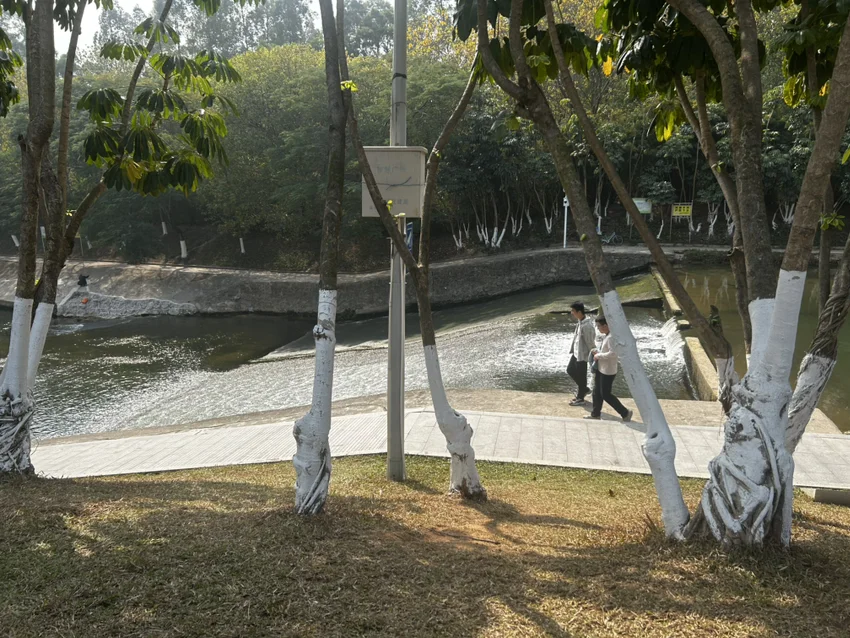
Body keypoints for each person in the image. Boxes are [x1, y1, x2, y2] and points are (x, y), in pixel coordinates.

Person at [585, 315, 633, 422]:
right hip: (601, 369)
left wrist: (598, 355)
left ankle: (625, 412)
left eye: (599, 326)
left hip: (608, 371)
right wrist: (598, 352)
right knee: (596, 392)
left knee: (605, 395)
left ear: (606, 325)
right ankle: (595, 414)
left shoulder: (611, 337)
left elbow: (613, 354)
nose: (598, 328)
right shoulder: (607, 335)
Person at [566, 301, 596, 406]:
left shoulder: (587, 325)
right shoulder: (580, 322)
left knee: (581, 376)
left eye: (573, 311)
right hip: (576, 353)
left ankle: (580, 398)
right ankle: (584, 389)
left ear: (579, 312)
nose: (572, 313)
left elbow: (590, 342)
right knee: (570, 370)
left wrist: (594, 353)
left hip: (582, 355)